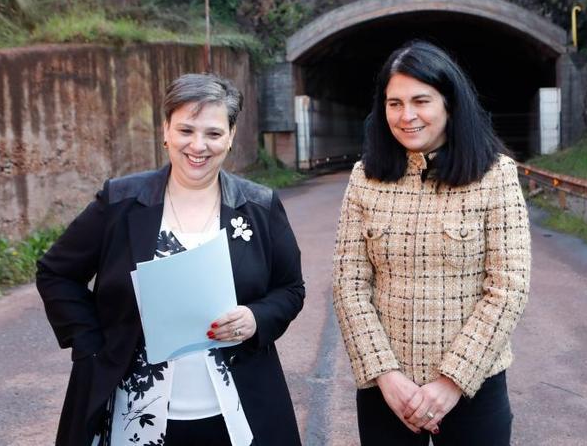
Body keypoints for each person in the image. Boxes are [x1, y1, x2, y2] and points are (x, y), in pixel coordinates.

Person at [37, 73, 305, 446]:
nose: (198, 145)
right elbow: (56, 272)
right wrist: (89, 343)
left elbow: (290, 288)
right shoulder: (121, 201)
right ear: (165, 130)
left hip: (237, 408)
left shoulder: (259, 206)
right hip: (134, 407)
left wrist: (255, 318)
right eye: (186, 130)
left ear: (230, 137)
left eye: (213, 133)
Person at [332, 40, 531, 445]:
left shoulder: (495, 176)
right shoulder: (365, 178)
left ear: (449, 103)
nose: (407, 116)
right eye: (394, 103)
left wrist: (451, 381)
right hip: (387, 392)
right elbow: (349, 285)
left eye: (421, 101)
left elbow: (508, 288)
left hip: (475, 386)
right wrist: (386, 376)